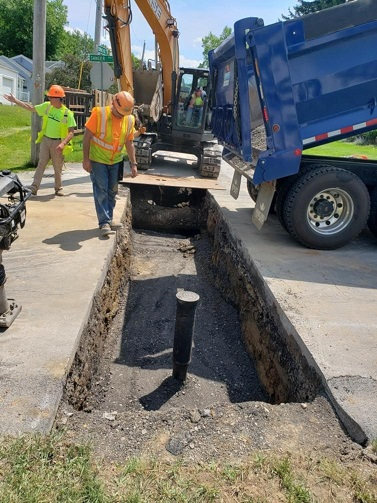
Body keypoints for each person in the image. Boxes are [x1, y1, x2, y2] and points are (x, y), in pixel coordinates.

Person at [4, 85, 76, 196]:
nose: (49, 99)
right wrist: (15, 101)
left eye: (51, 97)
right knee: (41, 164)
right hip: (46, 141)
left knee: (57, 167)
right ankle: (34, 187)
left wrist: (63, 143)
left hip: (58, 143)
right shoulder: (47, 107)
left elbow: (71, 132)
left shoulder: (67, 113)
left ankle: (58, 188)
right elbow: (30, 108)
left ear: (58, 98)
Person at [83, 91, 138, 237]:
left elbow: (129, 142)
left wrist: (134, 164)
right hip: (98, 160)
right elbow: (87, 137)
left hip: (116, 161)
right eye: (120, 113)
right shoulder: (99, 114)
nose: (121, 116)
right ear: (113, 103)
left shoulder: (129, 119)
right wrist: (86, 159)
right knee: (101, 190)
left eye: (124, 114)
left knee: (112, 191)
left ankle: (109, 218)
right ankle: (104, 222)